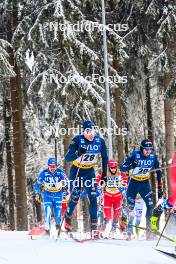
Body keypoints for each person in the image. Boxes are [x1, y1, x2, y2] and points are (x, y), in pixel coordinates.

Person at [64, 120, 108, 234]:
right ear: (83, 131)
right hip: (77, 171)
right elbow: (68, 158)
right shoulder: (77, 140)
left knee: (93, 198)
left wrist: (104, 175)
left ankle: (94, 227)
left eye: (93, 131)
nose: (91, 134)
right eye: (88, 131)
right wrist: (78, 153)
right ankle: (68, 217)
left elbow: (105, 157)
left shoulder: (99, 141)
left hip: (89, 171)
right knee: (75, 196)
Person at [120, 139, 163, 239]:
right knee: (131, 208)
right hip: (133, 183)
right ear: (142, 149)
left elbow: (159, 171)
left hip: (144, 184)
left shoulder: (153, 157)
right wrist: (131, 165)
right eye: (146, 149)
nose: (148, 151)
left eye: (150, 149)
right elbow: (122, 168)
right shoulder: (135, 155)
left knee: (150, 206)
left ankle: (148, 231)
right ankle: (126, 225)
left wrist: (160, 186)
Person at [34, 157, 67, 235]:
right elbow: (37, 185)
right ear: (48, 166)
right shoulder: (44, 173)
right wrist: (37, 193)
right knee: (48, 211)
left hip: (58, 195)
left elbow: (67, 181)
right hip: (47, 195)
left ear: (56, 166)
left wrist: (65, 187)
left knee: (58, 214)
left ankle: (58, 229)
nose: (52, 168)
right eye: (51, 166)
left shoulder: (60, 172)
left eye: (54, 166)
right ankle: (47, 230)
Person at [98, 159, 128, 233]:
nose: (113, 169)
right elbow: (98, 181)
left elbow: (126, 182)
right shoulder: (105, 173)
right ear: (109, 167)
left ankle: (113, 230)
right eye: (112, 168)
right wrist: (102, 183)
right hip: (108, 196)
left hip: (117, 197)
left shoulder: (121, 174)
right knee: (108, 216)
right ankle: (102, 227)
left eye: (115, 168)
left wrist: (122, 187)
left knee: (117, 214)